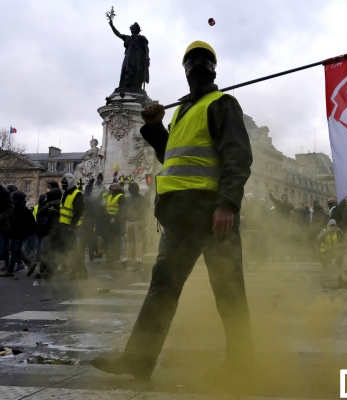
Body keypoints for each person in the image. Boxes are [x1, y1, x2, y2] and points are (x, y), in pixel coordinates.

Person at [91, 40, 253, 383]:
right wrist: (153, 127)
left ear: (213, 69)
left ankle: (242, 365)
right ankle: (138, 359)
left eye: (203, 62)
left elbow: (238, 158)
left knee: (228, 291)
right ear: (185, 70)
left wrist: (227, 204)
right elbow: (173, 155)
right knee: (161, 288)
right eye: (191, 62)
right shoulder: (180, 112)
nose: (196, 67)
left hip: (212, 215)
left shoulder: (223, 104)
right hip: (179, 217)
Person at [58, 173, 87, 279]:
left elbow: (79, 212)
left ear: (71, 181)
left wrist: (72, 226)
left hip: (73, 227)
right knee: (69, 250)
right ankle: (75, 270)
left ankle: (81, 271)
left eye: (64, 181)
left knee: (74, 249)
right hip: (64, 226)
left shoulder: (77, 194)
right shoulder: (65, 194)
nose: (63, 183)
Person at [0, 191, 34, 277]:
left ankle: (10, 270)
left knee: (13, 251)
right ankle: (29, 263)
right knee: (17, 251)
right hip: (17, 234)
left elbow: (31, 224)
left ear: (17, 199)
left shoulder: (18, 209)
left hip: (15, 234)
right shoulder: (23, 209)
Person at [33, 187, 62, 280]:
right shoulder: (61, 203)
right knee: (50, 250)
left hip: (55, 230)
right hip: (55, 229)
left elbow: (40, 212)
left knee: (48, 250)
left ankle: (48, 272)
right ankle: (46, 271)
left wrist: (45, 202)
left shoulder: (53, 203)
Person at [124, 182, 147, 264]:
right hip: (129, 221)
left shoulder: (142, 199)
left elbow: (144, 211)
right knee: (129, 239)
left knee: (138, 239)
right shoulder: (127, 199)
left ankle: (138, 256)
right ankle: (128, 256)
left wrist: (143, 221)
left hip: (137, 221)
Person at [104, 182, 126, 263]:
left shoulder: (121, 197)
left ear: (118, 187)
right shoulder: (109, 196)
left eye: (113, 186)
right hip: (108, 219)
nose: (111, 187)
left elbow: (121, 209)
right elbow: (106, 207)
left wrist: (115, 218)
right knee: (109, 238)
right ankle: (109, 256)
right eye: (111, 186)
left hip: (116, 220)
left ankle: (116, 256)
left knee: (116, 239)